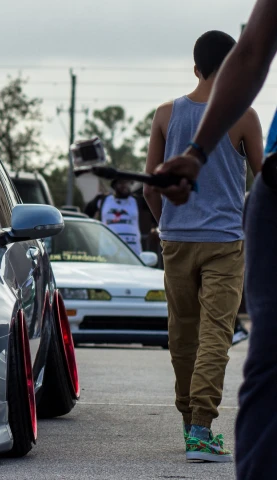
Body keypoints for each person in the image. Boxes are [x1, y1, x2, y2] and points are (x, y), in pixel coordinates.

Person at [151, 25, 271, 470]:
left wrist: (163, 225)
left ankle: (191, 424)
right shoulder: (245, 116)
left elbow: (151, 184)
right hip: (224, 242)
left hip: (176, 240)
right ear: (231, 67)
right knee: (215, 335)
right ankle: (201, 429)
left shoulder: (165, 114)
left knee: (182, 334)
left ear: (196, 67)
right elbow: (262, 180)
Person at [97, 178, 142, 255]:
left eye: (127, 183)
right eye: (121, 183)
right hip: (108, 248)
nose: (124, 186)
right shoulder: (103, 199)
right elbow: (88, 213)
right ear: (114, 185)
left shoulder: (136, 200)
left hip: (133, 249)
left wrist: (154, 226)